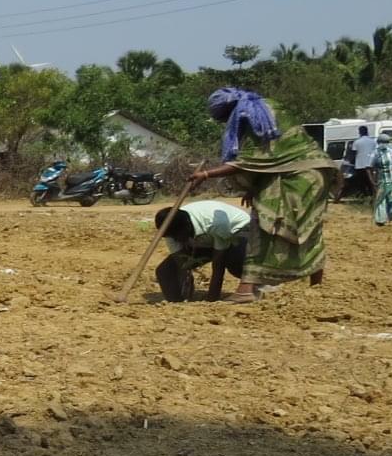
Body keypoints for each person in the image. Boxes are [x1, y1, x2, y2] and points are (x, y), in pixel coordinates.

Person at [186, 88, 338, 303]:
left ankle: (247, 288)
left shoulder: (250, 117)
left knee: (265, 227)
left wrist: (206, 174)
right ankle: (316, 285)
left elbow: (248, 161)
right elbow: (270, 159)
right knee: (308, 227)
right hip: (316, 171)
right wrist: (253, 187)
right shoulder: (267, 109)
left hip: (300, 176)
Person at [152, 199, 250, 301]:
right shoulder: (170, 230)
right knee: (165, 271)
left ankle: (256, 284)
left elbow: (218, 265)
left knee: (234, 260)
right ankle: (175, 301)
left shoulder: (216, 222)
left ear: (187, 226)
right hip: (204, 241)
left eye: (178, 236)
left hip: (235, 232)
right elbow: (181, 263)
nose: (176, 240)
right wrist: (186, 279)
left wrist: (212, 297)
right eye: (172, 237)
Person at [373, 133, 392, 226]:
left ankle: (390, 216)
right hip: (382, 180)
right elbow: (370, 167)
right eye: (382, 142)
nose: (384, 144)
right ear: (378, 143)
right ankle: (380, 220)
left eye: (386, 142)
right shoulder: (375, 153)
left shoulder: (391, 152)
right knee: (381, 200)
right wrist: (373, 181)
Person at [340, 126, 373, 203]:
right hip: (370, 165)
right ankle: (371, 196)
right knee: (369, 182)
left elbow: (353, 154)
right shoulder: (372, 141)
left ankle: (365, 196)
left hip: (360, 165)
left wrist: (349, 162)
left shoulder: (357, 142)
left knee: (361, 182)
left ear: (360, 132)